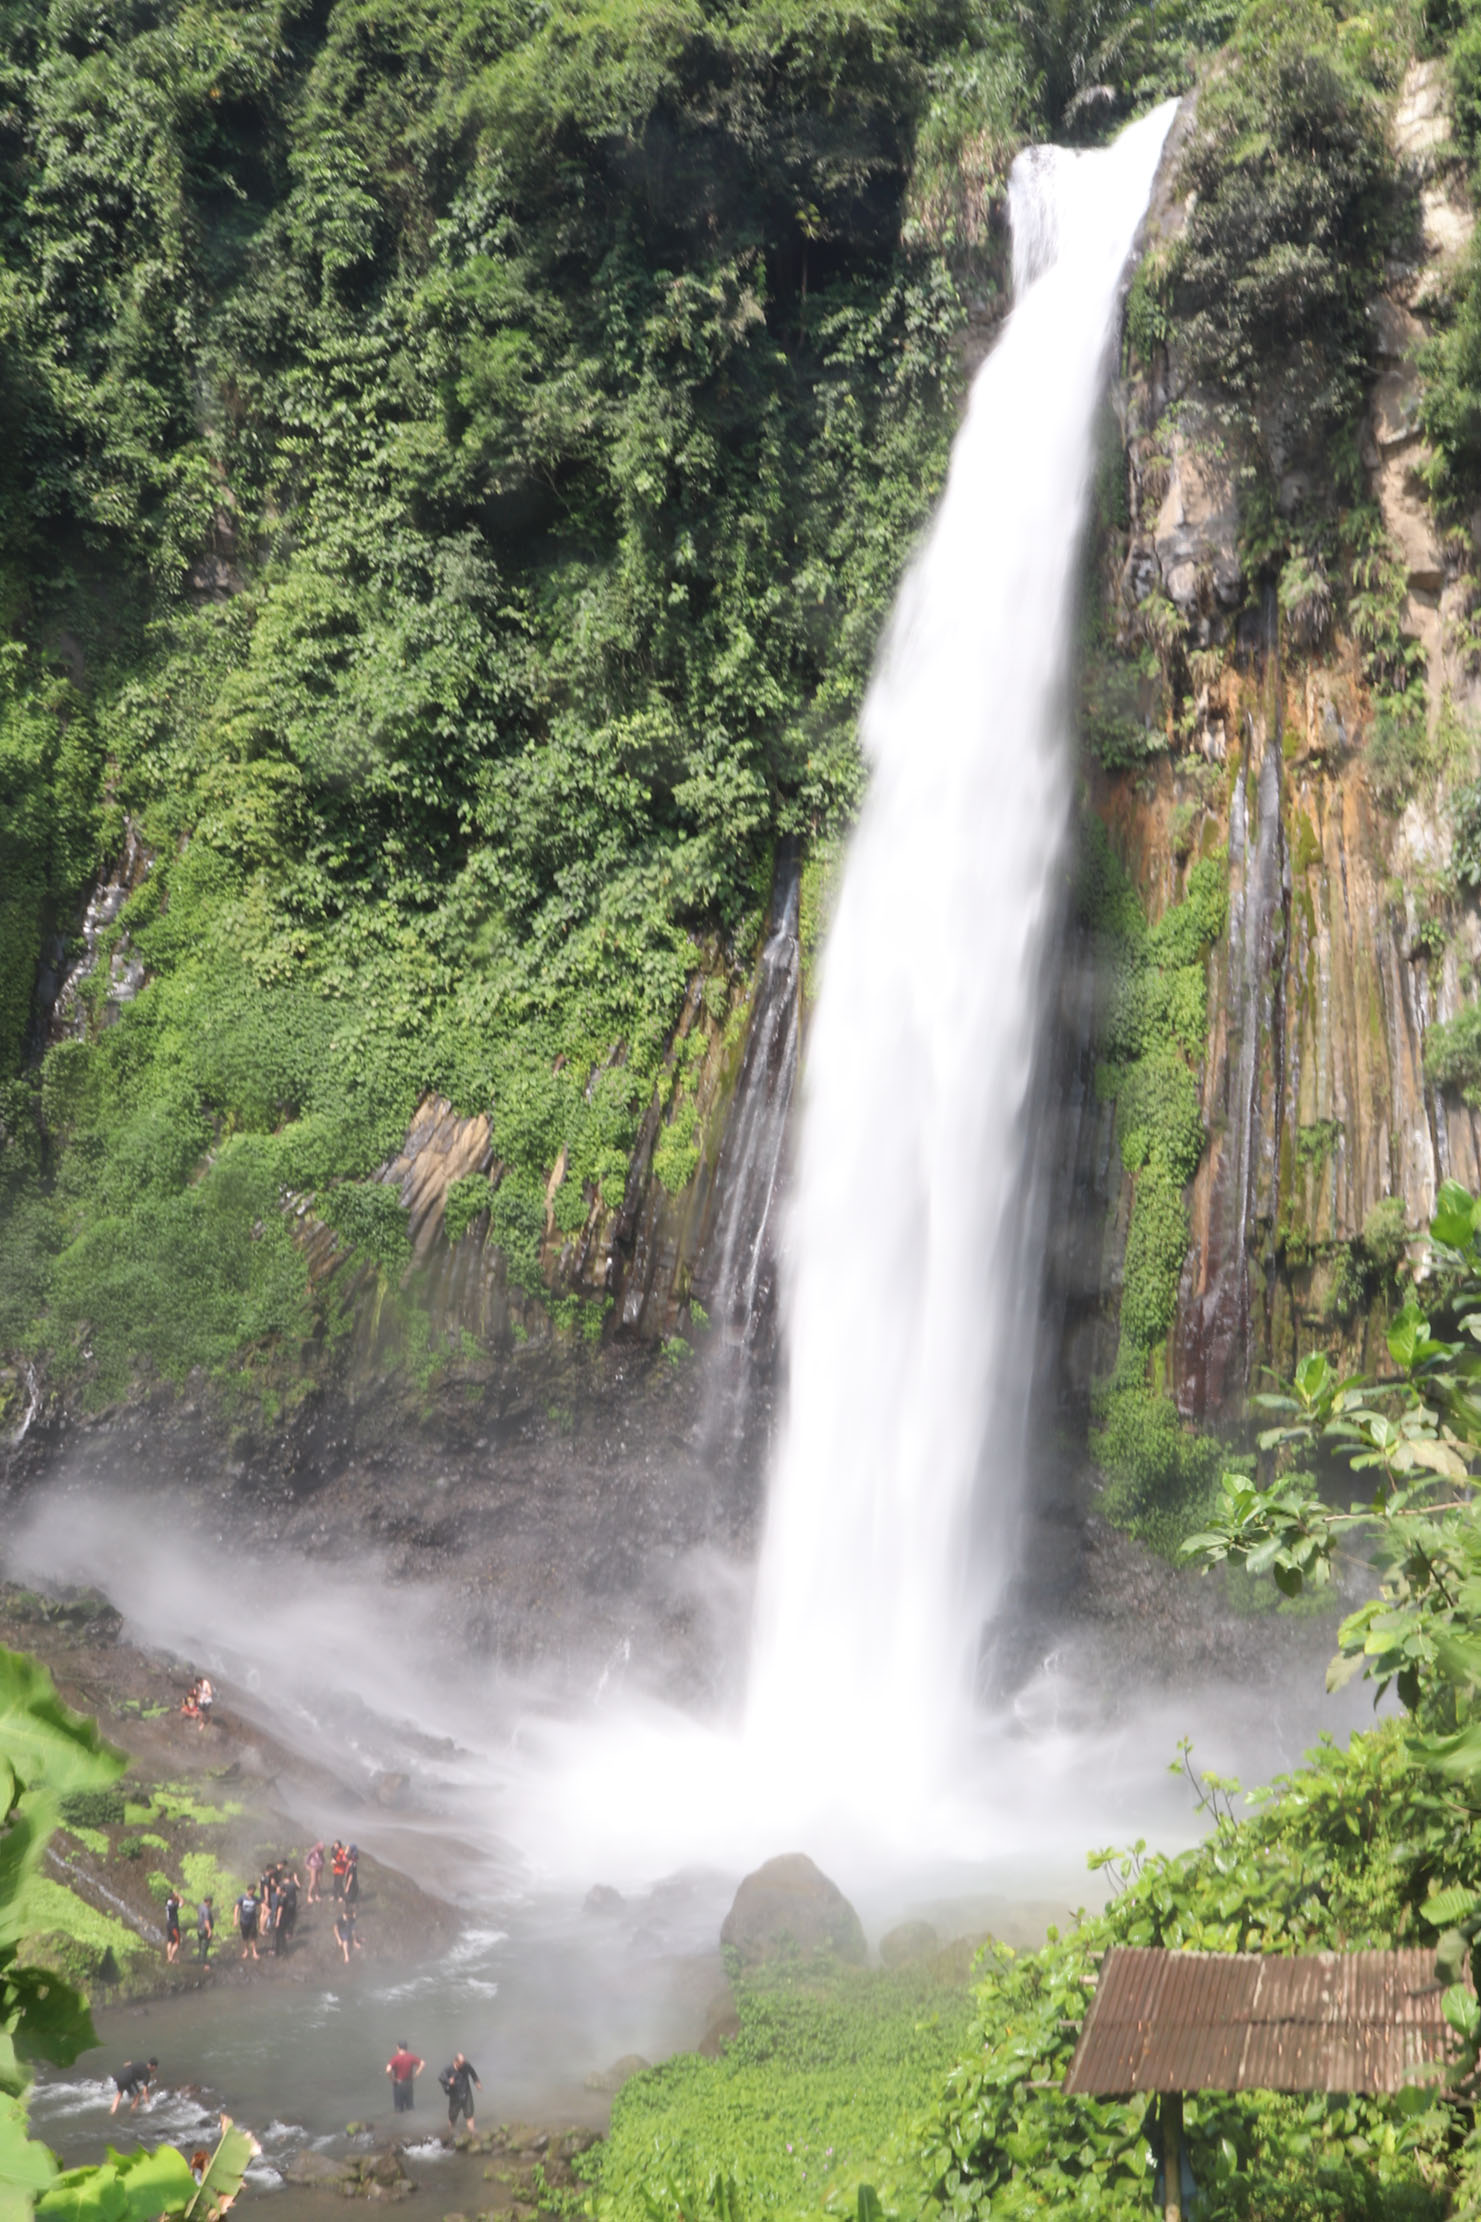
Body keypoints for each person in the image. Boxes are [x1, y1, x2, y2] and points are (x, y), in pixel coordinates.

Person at [438, 2053, 481, 2136]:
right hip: (455, 2094)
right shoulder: (448, 2068)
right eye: (461, 2064)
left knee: (469, 2113)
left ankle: (472, 2131)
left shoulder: (466, 2065)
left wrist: (477, 2082)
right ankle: (451, 2131)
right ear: (455, 2062)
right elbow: (440, 2077)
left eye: (463, 2063)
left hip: (466, 2092)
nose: (463, 2065)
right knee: (453, 2115)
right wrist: (448, 2081)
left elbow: (473, 2074)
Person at [385, 2040, 423, 2114]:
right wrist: (415, 2075)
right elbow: (422, 2063)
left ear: (398, 2048)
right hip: (409, 2083)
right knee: (410, 2107)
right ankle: (412, 2122)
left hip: (399, 2084)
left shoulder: (395, 2058)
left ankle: (399, 2123)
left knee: (399, 2109)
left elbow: (388, 2070)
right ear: (406, 2048)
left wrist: (393, 2079)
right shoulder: (411, 2057)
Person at [237, 1885, 260, 1962]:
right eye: (252, 1891)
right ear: (248, 1890)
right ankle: (246, 1950)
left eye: (254, 1891)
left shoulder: (255, 1898)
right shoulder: (242, 1898)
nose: (253, 1893)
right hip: (244, 1920)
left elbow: (261, 1904)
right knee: (245, 1937)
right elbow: (236, 1907)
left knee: (253, 1937)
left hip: (252, 1920)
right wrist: (235, 1919)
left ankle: (254, 1951)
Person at [164, 1889, 182, 1963]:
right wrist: (179, 1896)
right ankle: (171, 1958)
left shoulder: (167, 1904)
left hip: (168, 1924)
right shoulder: (173, 1905)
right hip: (173, 1925)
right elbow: (182, 1903)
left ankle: (169, 1958)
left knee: (170, 1941)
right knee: (177, 1942)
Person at [197, 1895, 215, 1964]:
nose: (211, 1904)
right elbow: (206, 1921)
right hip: (205, 1930)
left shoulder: (200, 1907)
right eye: (211, 1902)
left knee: (200, 1946)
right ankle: (203, 1963)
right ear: (208, 1902)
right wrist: (210, 1931)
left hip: (199, 1928)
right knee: (204, 1947)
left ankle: (199, 1960)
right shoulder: (206, 1910)